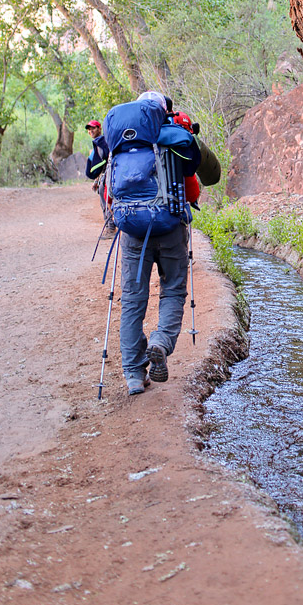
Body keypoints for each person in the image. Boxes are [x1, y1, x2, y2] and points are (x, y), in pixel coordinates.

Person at [115, 91, 208, 397]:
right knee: (173, 291)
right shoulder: (175, 136)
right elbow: (195, 178)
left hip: (131, 233)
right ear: (164, 111)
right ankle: (161, 343)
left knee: (132, 301)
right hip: (169, 229)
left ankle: (133, 374)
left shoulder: (121, 142)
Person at [85, 120, 115, 232]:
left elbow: (105, 161)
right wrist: (96, 181)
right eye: (89, 129)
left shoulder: (103, 142)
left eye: (93, 128)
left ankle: (110, 227)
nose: (90, 131)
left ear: (99, 129)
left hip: (108, 175)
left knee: (106, 200)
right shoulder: (98, 144)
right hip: (104, 176)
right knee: (104, 200)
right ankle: (109, 226)